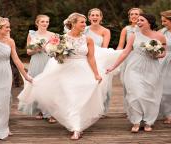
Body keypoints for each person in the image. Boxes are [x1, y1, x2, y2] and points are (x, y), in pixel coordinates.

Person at [18, 12, 110, 140]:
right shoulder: (61, 38)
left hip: (83, 71)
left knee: (80, 100)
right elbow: (54, 54)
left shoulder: (88, 39)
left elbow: (91, 58)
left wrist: (96, 74)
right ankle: (76, 128)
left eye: (84, 22)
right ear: (73, 24)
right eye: (82, 22)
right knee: (71, 99)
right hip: (66, 71)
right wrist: (57, 52)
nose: (85, 24)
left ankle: (77, 125)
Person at [106, 14, 166, 132]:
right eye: (138, 20)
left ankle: (148, 121)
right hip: (134, 67)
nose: (138, 22)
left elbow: (163, 53)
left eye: (141, 20)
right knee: (135, 94)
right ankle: (136, 121)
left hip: (151, 68)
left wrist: (156, 54)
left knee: (150, 95)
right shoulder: (133, 36)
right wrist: (113, 66)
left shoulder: (160, 36)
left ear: (149, 22)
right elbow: (125, 52)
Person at [18, 15, 56, 123]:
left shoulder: (52, 35)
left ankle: (50, 113)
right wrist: (38, 48)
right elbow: (28, 52)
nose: (45, 23)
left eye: (47, 21)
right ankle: (39, 110)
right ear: (37, 23)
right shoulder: (32, 34)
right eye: (42, 21)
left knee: (49, 86)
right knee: (36, 85)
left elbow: (56, 50)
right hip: (36, 61)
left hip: (49, 61)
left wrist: (49, 49)